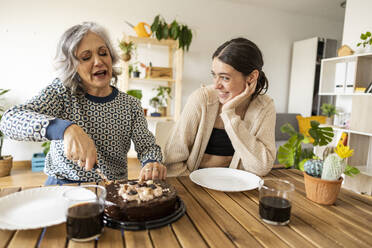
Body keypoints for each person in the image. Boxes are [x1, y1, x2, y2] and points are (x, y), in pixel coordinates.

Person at [0, 22, 166, 185]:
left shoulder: (131, 105)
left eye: (103, 53)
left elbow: (147, 146)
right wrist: (65, 129)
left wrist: (152, 162)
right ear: (72, 66)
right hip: (63, 186)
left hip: (112, 188)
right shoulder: (62, 93)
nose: (98, 62)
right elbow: (10, 120)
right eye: (86, 57)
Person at [163, 38, 276, 177]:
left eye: (225, 78)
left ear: (251, 77)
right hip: (193, 186)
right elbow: (172, 164)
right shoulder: (202, 100)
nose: (216, 85)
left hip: (237, 189)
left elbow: (261, 167)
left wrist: (229, 114)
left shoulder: (264, 107)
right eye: (214, 75)